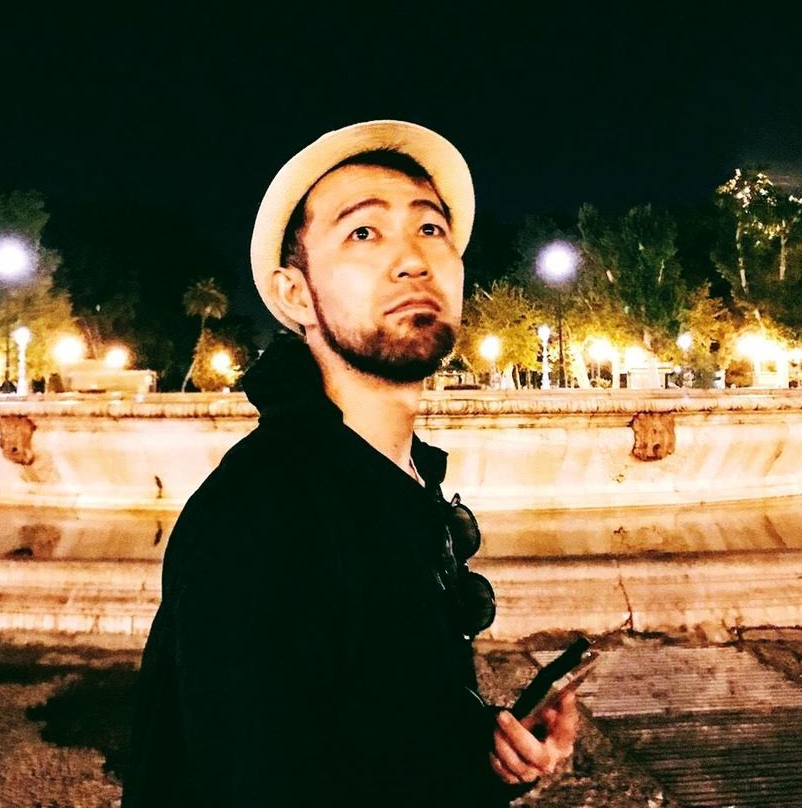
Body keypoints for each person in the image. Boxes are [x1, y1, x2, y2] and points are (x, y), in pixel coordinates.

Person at [125, 121, 579, 807]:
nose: (412, 260)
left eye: (431, 231)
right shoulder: (264, 513)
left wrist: (481, 748)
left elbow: (369, 737)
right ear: (293, 296)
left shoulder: (393, 478)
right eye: (362, 234)